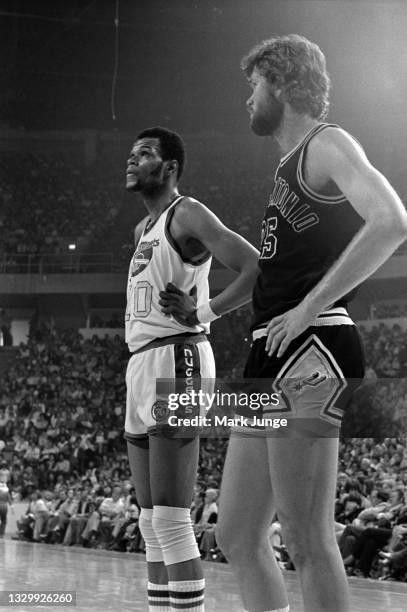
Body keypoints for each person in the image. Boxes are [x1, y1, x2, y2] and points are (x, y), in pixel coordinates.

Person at [162, 36, 407, 612]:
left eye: (254, 85)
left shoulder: (328, 143)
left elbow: (392, 221)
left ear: (284, 83)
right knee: (239, 533)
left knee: (305, 536)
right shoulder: (285, 166)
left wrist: (306, 306)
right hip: (271, 350)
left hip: (313, 346)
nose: (248, 98)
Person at [124, 126, 259, 612]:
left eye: (144, 154)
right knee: (149, 521)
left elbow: (254, 267)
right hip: (141, 362)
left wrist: (202, 312)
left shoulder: (189, 212)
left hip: (178, 354)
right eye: (132, 154)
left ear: (171, 167)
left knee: (173, 517)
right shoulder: (142, 230)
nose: (133, 160)